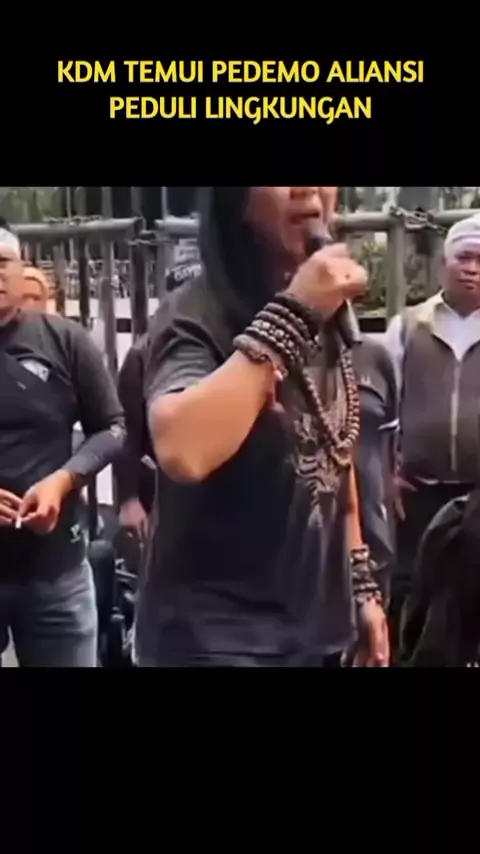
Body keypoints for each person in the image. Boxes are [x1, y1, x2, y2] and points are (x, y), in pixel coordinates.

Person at [135, 186, 389, 668]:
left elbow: (334, 451)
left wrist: (360, 582)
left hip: (311, 633)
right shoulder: (196, 313)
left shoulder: (322, 305)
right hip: (214, 640)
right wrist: (294, 313)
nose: (307, 188)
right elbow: (182, 449)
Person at [0, 223, 126, 667]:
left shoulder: (65, 340)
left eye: (2, 263)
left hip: (57, 572)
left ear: (22, 268)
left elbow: (111, 428)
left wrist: (64, 480)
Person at [384, 212, 480, 649]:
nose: (472, 268)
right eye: (464, 257)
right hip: (418, 491)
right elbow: (382, 407)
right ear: (445, 263)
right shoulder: (409, 326)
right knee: (413, 586)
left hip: (477, 496)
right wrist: (387, 471)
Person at [352, 335, 398, 603]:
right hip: (305, 537)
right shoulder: (280, 350)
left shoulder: (375, 356)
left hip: (371, 534)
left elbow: (388, 435)